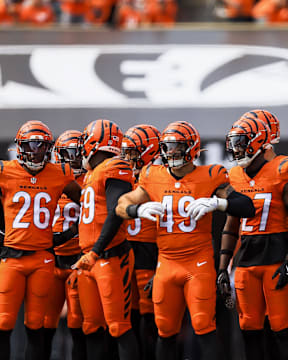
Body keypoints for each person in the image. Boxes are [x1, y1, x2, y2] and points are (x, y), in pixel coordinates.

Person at [116, 120, 255, 360]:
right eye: (167, 147)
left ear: (191, 148)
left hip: (197, 264)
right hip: (166, 264)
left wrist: (219, 202)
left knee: (203, 324)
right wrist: (136, 211)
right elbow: (121, 205)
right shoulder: (152, 175)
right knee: (165, 329)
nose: (170, 153)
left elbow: (247, 206)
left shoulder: (210, 175)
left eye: (176, 147)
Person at [0, 120, 82, 360]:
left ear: (49, 148)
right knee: (3, 325)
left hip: (43, 259)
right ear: (20, 147)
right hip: (12, 258)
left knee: (35, 326)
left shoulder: (59, 174)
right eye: (31, 145)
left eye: (41, 146)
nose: (36, 151)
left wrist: (69, 232)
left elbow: (89, 204)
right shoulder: (4, 172)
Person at [217, 114, 288, 360]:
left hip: (277, 258)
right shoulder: (234, 175)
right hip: (246, 260)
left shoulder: (283, 168)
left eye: (242, 141)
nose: (237, 148)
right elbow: (231, 223)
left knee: (282, 328)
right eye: (234, 142)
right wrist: (223, 267)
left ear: (261, 140)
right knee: (250, 328)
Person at [71, 118, 139, 360]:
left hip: (110, 256)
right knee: (91, 327)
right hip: (89, 259)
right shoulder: (93, 173)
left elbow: (115, 212)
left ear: (95, 142)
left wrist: (96, 251)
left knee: (119, 326)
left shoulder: (115, 167)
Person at [43, 130, 86, 360]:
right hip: (51, 260)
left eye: (79, 154)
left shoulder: (90, 181)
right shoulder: (49, 179)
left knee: (77, 327)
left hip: (78, 261)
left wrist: (72, 232)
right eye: (69, 154)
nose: (75, 159)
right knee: (44, 326)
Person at [120, 124, 160, 360]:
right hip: (126, 251)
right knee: (128, 318)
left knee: (151, 320)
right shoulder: (120, 174)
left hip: (151, 251)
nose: (128, 158)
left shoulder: (158, 175)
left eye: (134, 152)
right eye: (126, 152)